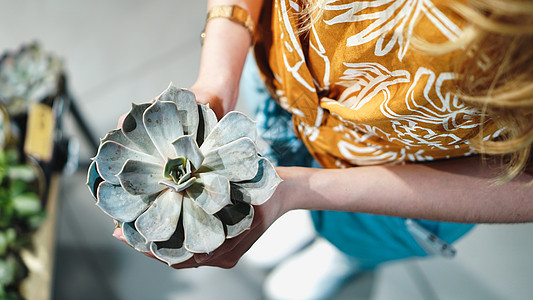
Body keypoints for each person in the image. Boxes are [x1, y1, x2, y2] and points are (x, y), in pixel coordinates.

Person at [114, 0, 533, 298]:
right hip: (286, 83)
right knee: (271, 160)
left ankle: (343, 253)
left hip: (406, 177)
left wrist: (303, 189)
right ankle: (300, 215)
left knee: (359, 235)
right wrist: (217, 78)